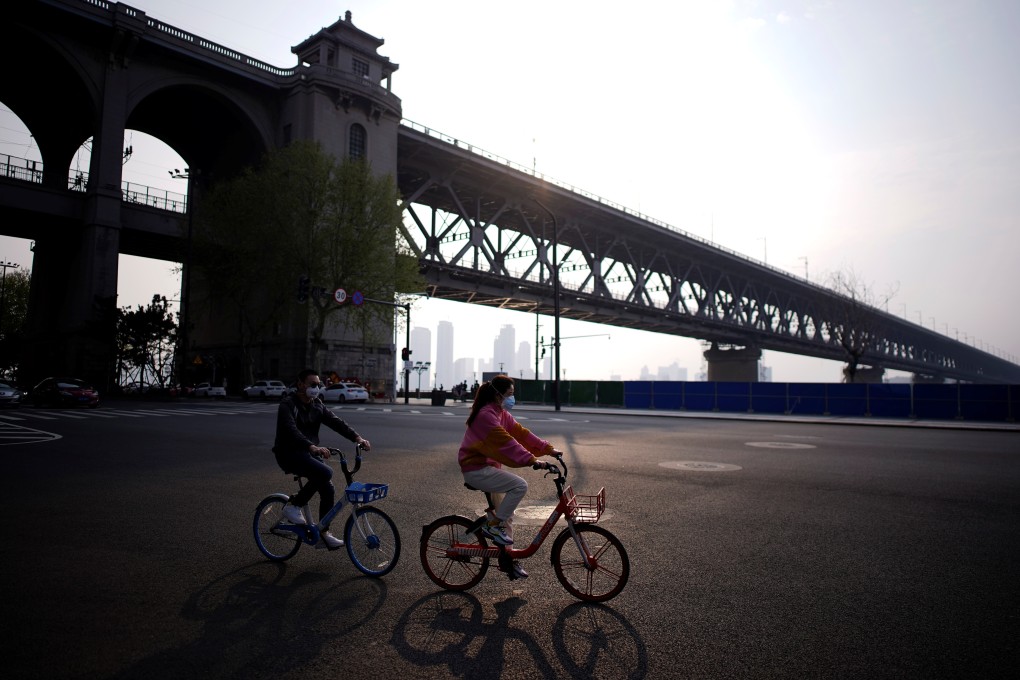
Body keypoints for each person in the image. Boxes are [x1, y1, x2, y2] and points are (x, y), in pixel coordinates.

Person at [458, 374, 561, 578]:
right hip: (475, 469)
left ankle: (508, 559)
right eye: (510, 394)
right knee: (520, 486)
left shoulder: (500, 412)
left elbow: (521, 433)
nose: (512, 398)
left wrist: (548, 449)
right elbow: (508, 443)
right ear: (498, 395)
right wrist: (533, 460)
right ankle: (492, 525)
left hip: (488, 468)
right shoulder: (486, 416)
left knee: (507, 518)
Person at [273, 368, 372, 550]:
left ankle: (323, 533)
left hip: (307, 453)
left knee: (328, 488)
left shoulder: (317, 404)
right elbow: (290, 430)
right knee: (325, 472)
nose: (316, 388)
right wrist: (311, 446)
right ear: (300, 384)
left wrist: (357, 438)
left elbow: (336, 422)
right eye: (312, 384)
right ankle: (294, 506)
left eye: (318, 385)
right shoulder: (288, 405)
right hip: (288, 453)